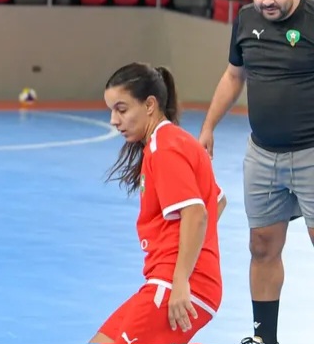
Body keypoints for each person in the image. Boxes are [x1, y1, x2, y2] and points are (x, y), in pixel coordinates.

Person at [198, 0, 314, 344]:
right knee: (261, 246)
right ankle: (265, 338)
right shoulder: (246, 20)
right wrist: (209, 126)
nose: (267, 0)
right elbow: (235, 75)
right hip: (262, 156)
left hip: (312, 154)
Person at [91, 62, 227, 344]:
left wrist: (182, 280)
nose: (114, 120)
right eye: (111, 111)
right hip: (172, 280)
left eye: (122, 109)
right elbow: (217, 201)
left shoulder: (164, 148)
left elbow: (196, 213)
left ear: (150, 105)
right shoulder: (173, 140)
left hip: (180, 284)